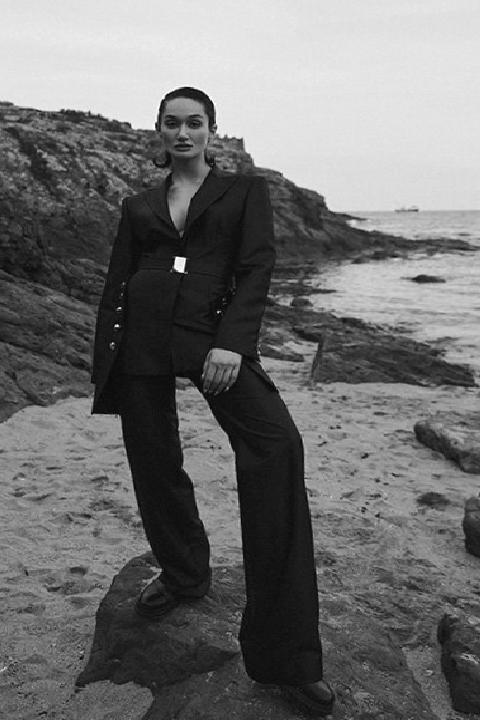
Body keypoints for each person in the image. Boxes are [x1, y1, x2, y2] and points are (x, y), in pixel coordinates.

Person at [90, 86, 335, 716]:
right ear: (159, 130)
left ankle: (286, 656)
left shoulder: (244, 192)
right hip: (141, 336)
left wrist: (232, 343)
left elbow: (256, 268)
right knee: (154, 459)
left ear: (212, 131)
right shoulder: (138, 203)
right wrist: (106, 362)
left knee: (276, 447)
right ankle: (183, 573)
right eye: (172, 123)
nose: (183, 132)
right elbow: (119, 281)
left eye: (194, 123)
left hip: (211, 336)